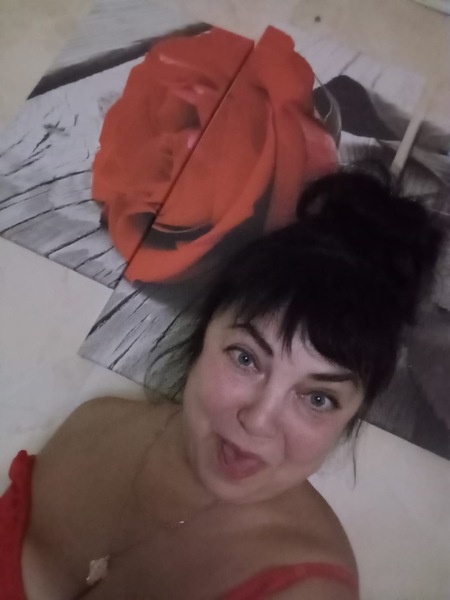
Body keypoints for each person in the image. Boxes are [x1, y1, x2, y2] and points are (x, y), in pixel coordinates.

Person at [0, 165, 443, 600]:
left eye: (318, 398)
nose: (258, 420)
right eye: (246, 358)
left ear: (349, 419)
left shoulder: (307, 591)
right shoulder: (91, 422)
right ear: (204, 334)